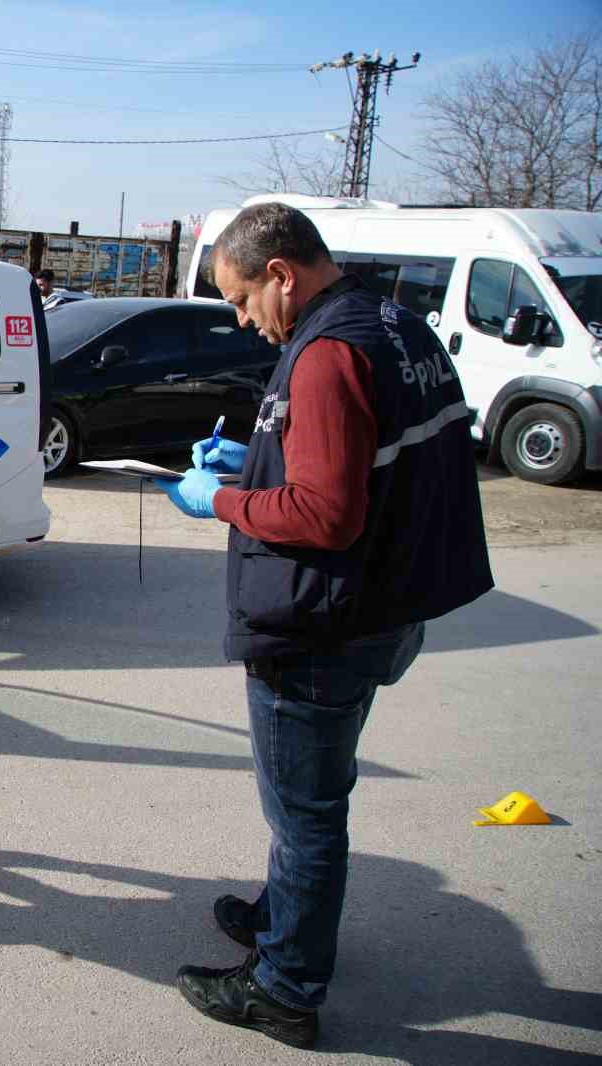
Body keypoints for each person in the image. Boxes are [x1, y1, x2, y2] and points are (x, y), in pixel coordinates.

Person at [158, 202, 492, 1048]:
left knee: (304, 815)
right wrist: (257, 457)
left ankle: (284, 987)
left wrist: (221, 500)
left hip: (322, 624)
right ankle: (284, 922)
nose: (243, 321)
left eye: (241, 300)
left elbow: (327, 513)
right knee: (311, 800)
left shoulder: (328, 352)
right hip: (381, 606)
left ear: (281, 273)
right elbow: (369, 463)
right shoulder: (396, 325)